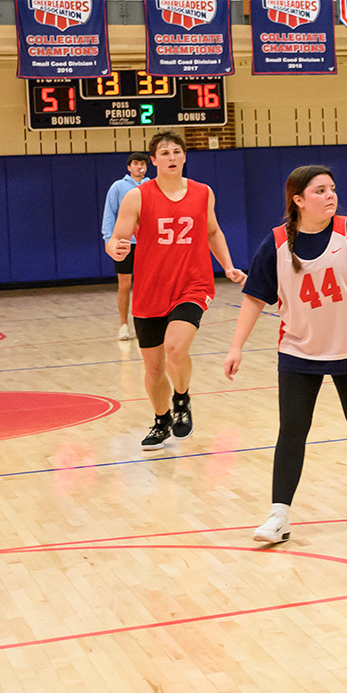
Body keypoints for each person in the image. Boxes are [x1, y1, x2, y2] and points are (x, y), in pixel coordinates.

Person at [224, 166, 347, 544]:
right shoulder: (277, 243)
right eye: (320, 191)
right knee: (292, 432)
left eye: (332, 189)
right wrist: (236, 346)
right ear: (298, 200)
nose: (330, 195)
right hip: (299, 351)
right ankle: (279, 515)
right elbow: (254, 298)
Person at [105, 131, 244, 452]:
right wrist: (116, 248)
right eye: (164, 153)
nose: (171, 157)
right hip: (150, 289)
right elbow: (117, 238)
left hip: (192, 285)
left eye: (176, 152)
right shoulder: (137, 196)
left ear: (184, 157)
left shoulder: (203, 192)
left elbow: (212, 231)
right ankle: (161, 419)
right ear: (153, 160)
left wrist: (227, 265)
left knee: (176, 349)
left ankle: (181, 399)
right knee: (153, 368)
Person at [102, 151, 148, 342]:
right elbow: (109, 214)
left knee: (145, 286)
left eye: (143, 163)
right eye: (136, 163)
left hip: (148, 244)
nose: (140, 167)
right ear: (129, 167)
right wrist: (108, 240)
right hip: (125, 243)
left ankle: (143, 322)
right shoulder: (118, 187)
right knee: (125, 284)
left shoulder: (152, 186)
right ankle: (123, 325)